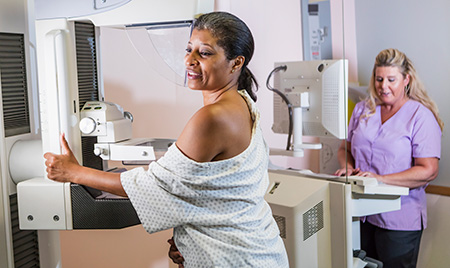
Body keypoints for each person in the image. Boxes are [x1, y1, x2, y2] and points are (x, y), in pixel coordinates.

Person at [44, 11, 289, 268]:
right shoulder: (243, 104)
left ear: (236, 63)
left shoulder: (213, 118)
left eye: (204, 53)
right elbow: (218, 193)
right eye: (188, 49)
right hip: (254, 250)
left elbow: (153, 186)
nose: (189, 61)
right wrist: (192, 241)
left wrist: (72, 172)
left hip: (237, 258)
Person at [335, 48, 443, 268]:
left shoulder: (420, 115)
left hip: (399, 219)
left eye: (391, 79)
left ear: (406, 80)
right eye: (379, 79)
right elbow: (343, 149)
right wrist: (347, 167)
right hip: (362, 213)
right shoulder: (363, 109)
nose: (383, 86)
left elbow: (428, 170)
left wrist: (379, 179)